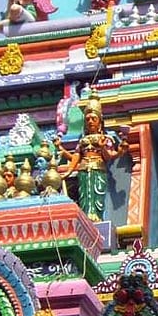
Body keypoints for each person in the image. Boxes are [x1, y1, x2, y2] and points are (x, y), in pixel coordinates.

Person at [53, 91, 129, 222]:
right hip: (83, 169)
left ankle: (96, 217)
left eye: (94, 119)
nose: (90, 122)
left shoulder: (105, 138)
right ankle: (86, 217)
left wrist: (106, 147)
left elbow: (110, 156)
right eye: (87, 119)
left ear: (100, 122)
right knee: (84, 195)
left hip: (98, 169)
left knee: (97, 194)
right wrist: (62, 153)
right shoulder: (82, 141)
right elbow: (75, 157)